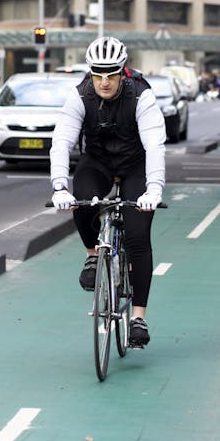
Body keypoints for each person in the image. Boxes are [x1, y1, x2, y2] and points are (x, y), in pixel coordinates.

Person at [49, 36, 166, 348]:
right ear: (90, 72)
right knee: (82, 200)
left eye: (111, 74)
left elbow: (154, 144)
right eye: (98, 73)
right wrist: (59, 185)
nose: (104, 81)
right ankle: (91, 256)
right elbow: (61, 141)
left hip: (135, 165)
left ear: (122, 71)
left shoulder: (141, 95)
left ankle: (138, 318)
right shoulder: (80, 95)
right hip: (97, 162)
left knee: (138, 236)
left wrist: (153, 189)